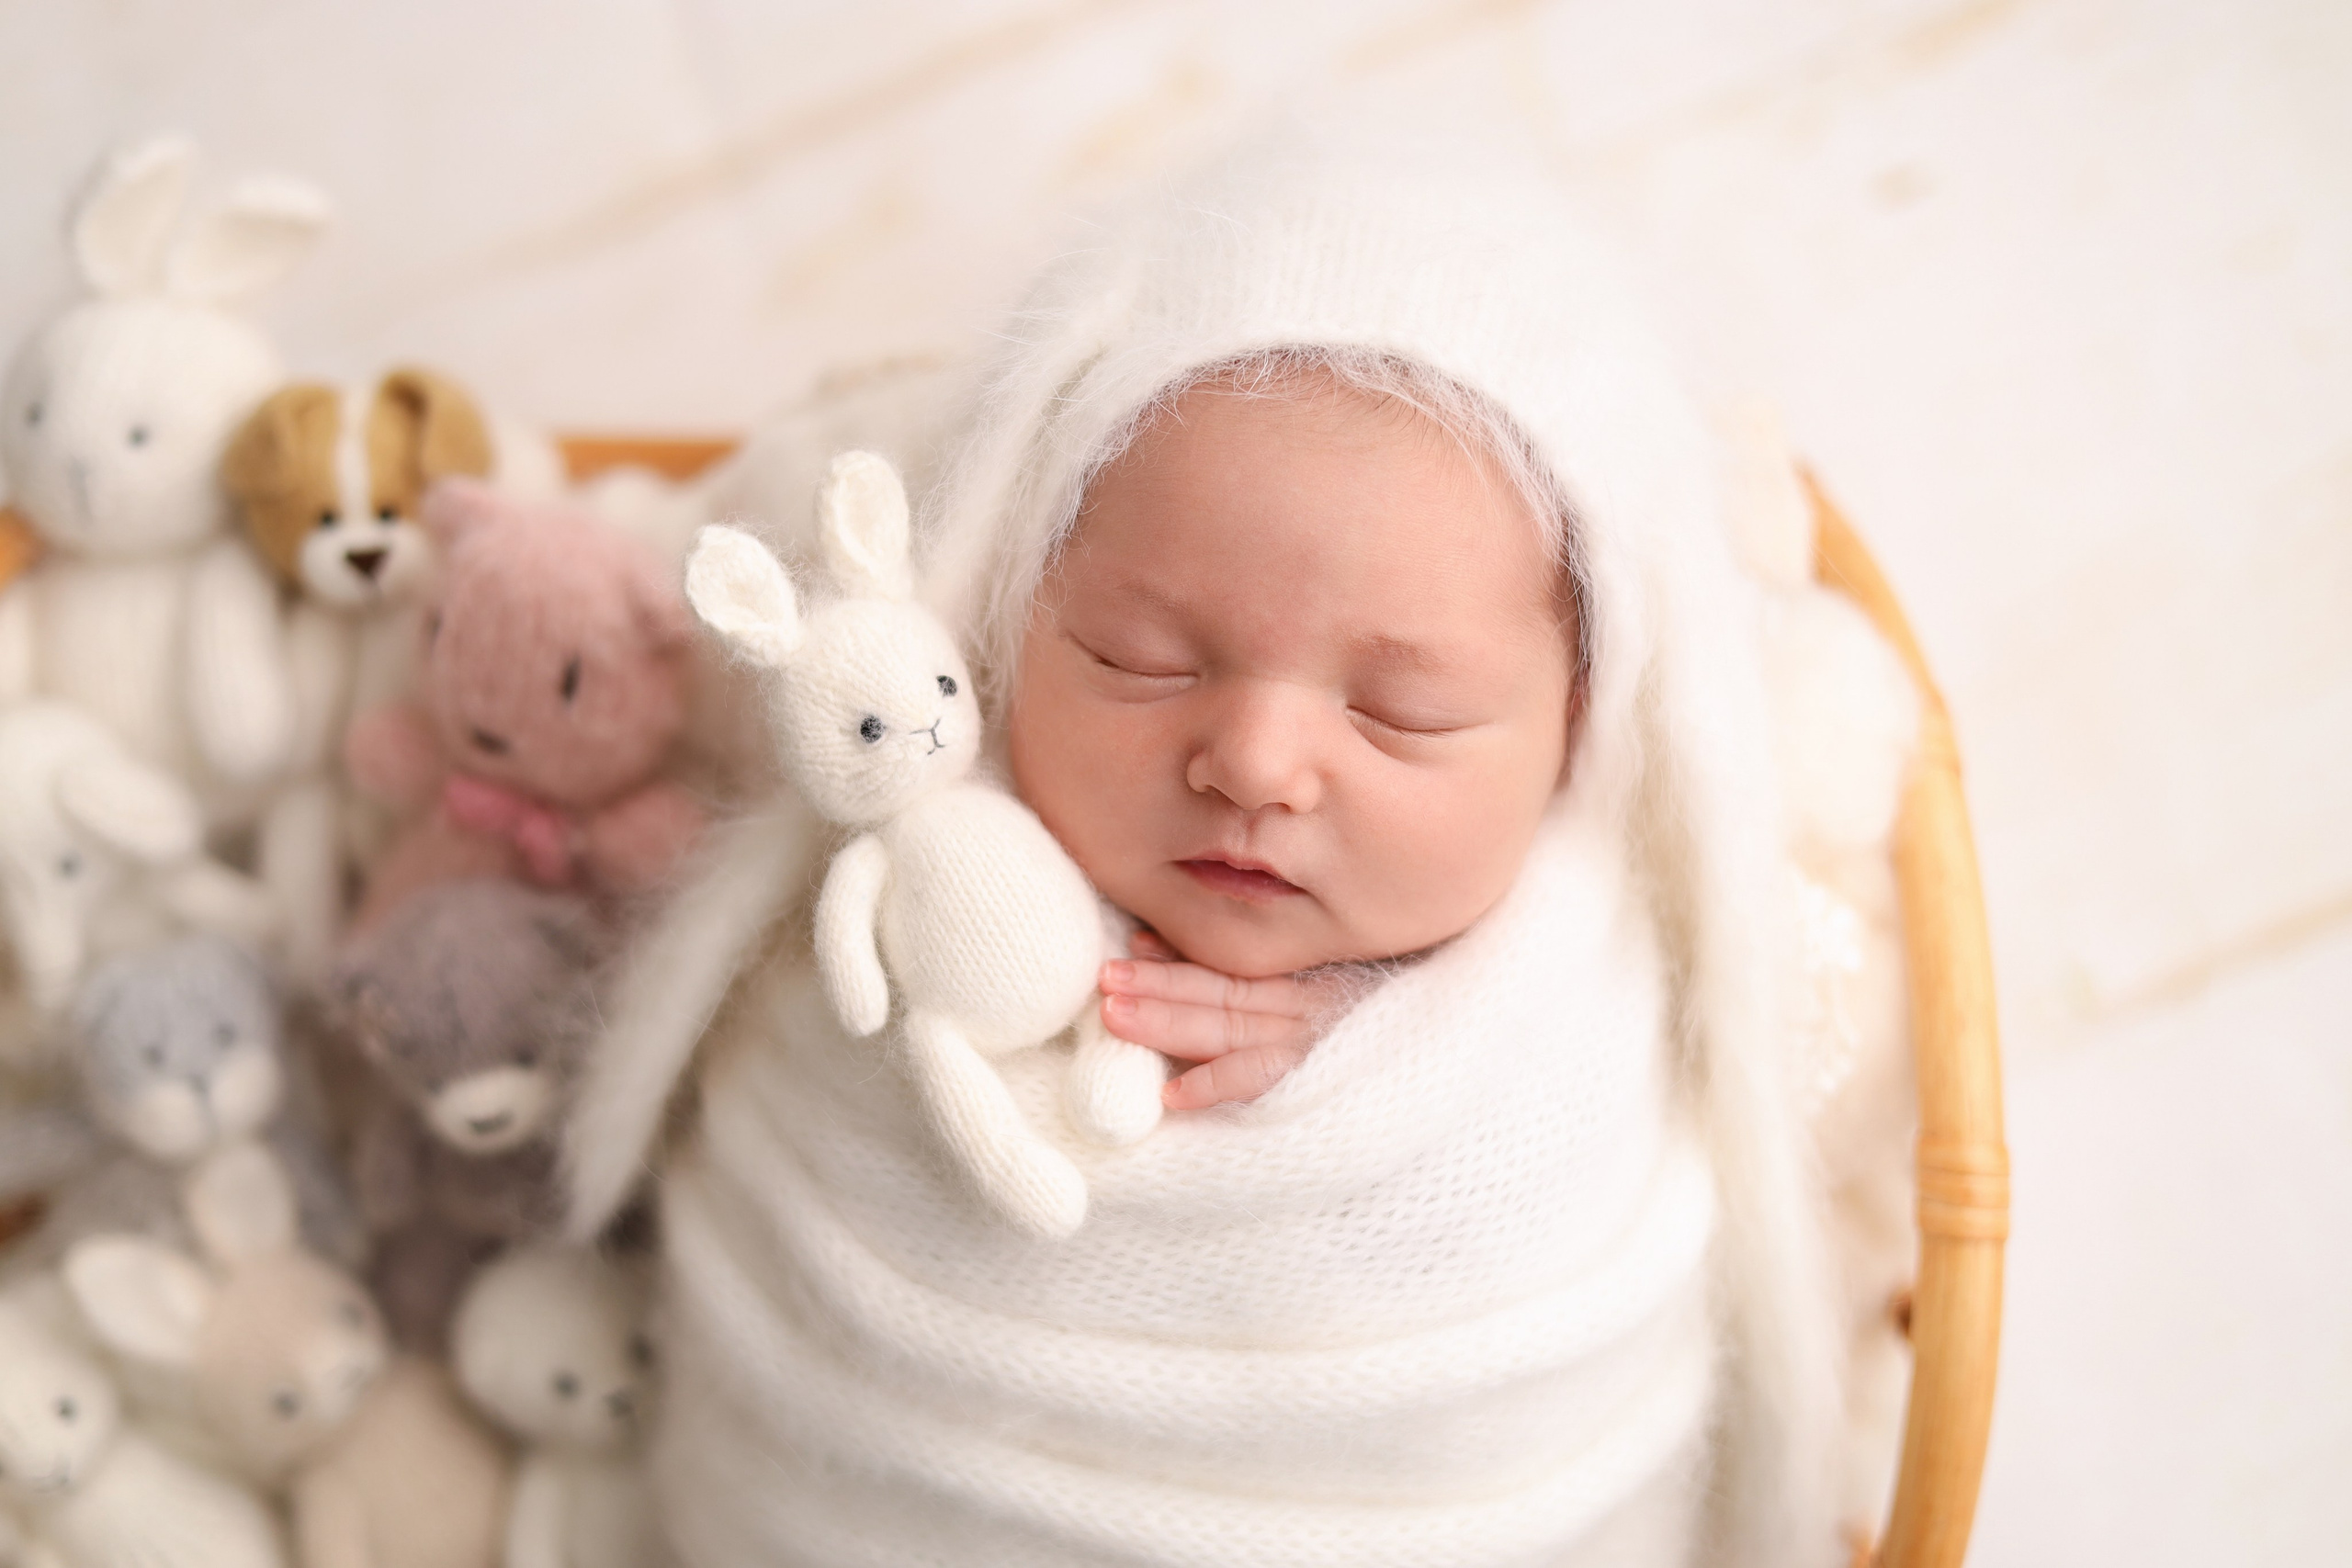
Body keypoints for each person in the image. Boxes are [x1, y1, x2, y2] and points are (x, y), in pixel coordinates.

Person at [574, 133, 1844, 1568]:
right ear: (1003, 612)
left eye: (1402, 712)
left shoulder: (1569, 1014)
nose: (1253, 763)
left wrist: (1355, 1028)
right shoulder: (910, 853)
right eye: (1142, 657)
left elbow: (1540, 1315)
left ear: (1581, 731)